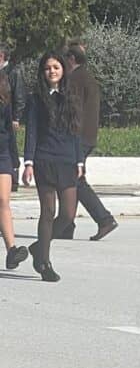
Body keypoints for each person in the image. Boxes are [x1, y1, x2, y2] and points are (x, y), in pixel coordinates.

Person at [22, 52, 84, 282]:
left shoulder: (71, 96)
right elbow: (31, 132)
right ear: (43, 72)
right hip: (44, 160)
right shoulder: (36, 99)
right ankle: (44, 263)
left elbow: (76, 131)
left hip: (67, 161)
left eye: (56, 67)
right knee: (47, 213)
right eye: (48, 68)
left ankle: (39, 246)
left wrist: (79, 160)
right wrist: (28, 162)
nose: (52, 71)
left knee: (67, 215)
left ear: (63, 70)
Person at [61, 41, 117, 241]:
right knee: (72, 179)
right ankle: (66, 225)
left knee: (74, 179)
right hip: (87, 135)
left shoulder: (75, 79)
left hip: (78, 137)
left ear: (71, 59)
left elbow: (72, 110)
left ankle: (104, 219)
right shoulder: (87, 76)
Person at [0, 70, 28, 270]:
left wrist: (15, 160)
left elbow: (9, 130)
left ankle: (12, 251)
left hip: (2, 154)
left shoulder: (4, 96)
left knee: (3, 200)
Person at [0, 43, 26, 127]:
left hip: (7, 119)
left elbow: (19, 96)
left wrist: (16, 118)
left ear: (1, 56)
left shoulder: (14, 72)